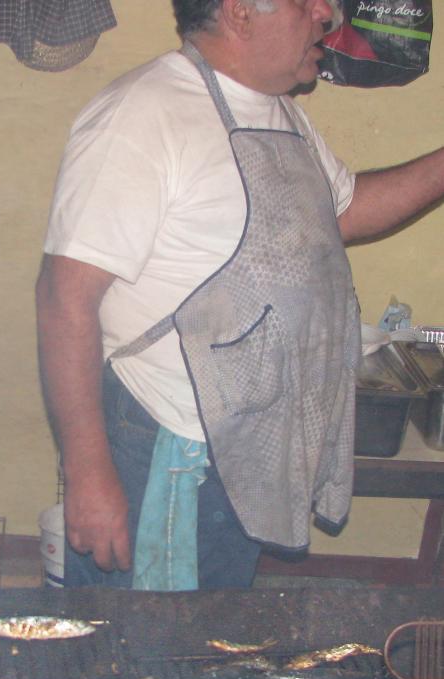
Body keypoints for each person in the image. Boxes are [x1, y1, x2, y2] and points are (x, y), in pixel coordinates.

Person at [36, 0, 444, 592]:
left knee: (210, 642)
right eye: (308, 0)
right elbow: (62, 300)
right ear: (239, 13)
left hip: (245, 449)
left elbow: (345, 210)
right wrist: (90, 475)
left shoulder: (276, 110)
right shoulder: (143, 114)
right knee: (142, 655)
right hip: (165, 453)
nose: (327, 14)